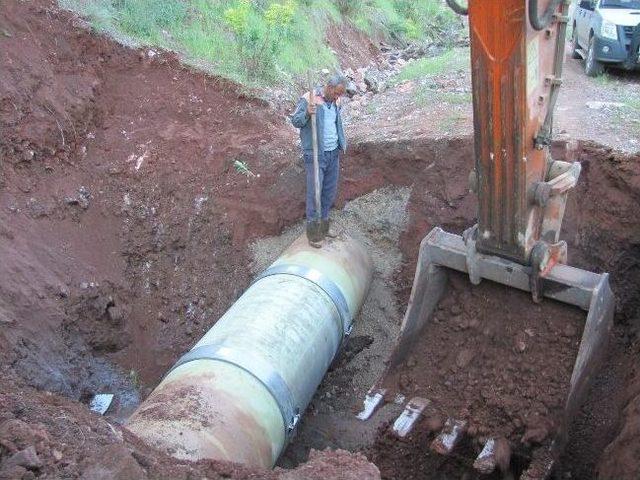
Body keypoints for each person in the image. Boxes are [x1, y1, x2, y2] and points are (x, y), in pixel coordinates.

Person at [291, 74, 348, 247]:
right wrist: (308, 113)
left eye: (340, 94)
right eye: (337, 93)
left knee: (328, 193)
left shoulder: (336, 102)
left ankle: (323, 227)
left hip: (333, 154)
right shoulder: (310, 98)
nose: (338, 97)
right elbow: (296, 121)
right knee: (315, 194)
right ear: (329, 87)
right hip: (315, 154)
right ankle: (314, 235)